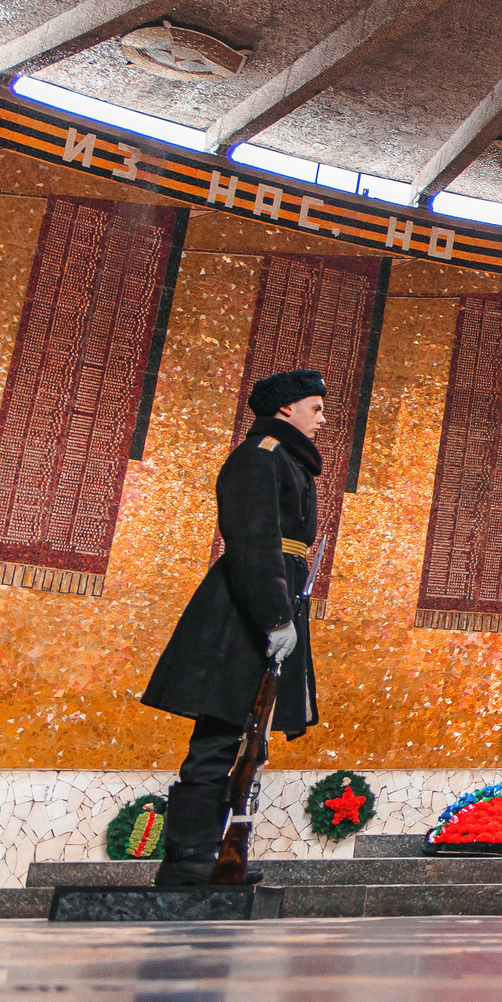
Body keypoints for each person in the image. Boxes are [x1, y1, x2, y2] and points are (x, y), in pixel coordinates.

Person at [139, 369, 327, 888]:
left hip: (270, 603)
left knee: (245, 739)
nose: (323, 418)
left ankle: (209, 853)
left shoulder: (287, 463)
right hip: (242, 614)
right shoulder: (259, 456)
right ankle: (186, 861)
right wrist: (275, 618)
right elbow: (252, 542)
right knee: (219, 737)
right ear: (286, 408)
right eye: (315, 407)